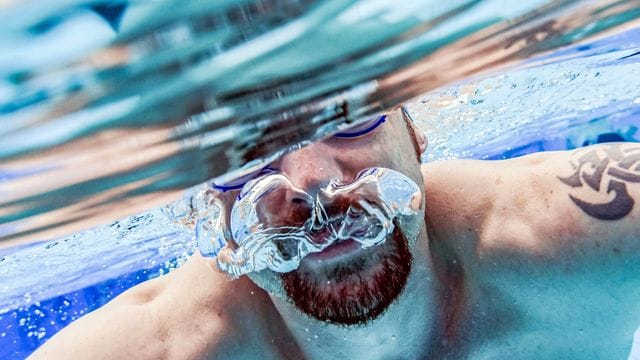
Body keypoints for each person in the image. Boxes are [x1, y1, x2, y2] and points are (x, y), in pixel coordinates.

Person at [30, 108, 640, 359]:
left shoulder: (577, 232)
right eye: (243, 156)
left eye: (349, 117)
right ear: (201, 207)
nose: (314, 181)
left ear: (414, 133)